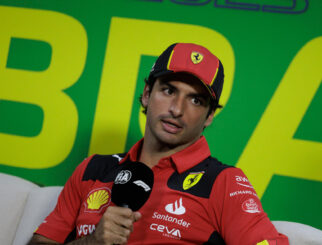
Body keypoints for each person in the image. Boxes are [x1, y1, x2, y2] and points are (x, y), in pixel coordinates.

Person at [28, 43, 289, 245]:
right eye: (168, 90)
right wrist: (92, 241)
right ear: (146, 94)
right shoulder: (93, 169)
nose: (177, 109)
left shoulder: (223, 183)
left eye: (196, 100)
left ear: (210, 116)